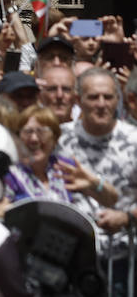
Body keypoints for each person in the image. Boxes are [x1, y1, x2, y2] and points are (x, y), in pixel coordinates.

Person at [56, 68, 136, 283]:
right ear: (78, 101)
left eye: (108, 97)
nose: (101, 104)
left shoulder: (134, 140)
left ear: (118, 100)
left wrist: (127, 217)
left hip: (122, 260)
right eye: (93, 97)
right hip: (69, 260)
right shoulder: (58, 138)